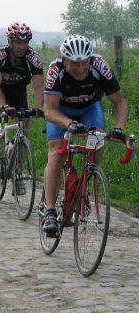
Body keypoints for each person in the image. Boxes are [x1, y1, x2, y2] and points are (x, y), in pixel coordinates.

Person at [42, 35, 127, 237]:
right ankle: (50, 211)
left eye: (84, 63)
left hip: (90, 109)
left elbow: (120, 102)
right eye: (74, 64)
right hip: (61, 111)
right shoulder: (56, 70)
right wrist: (69, 124)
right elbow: (49, 110)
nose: (80, 69)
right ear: (64, 60)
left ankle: (84, 187)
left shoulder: (100, 66)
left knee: (97, 142)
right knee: (56, 154)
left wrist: (119, 128)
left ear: (90, 59)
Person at [0, 22, 44, 160]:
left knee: (24, 131)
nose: (21, 46)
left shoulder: (34, 59)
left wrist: (39, 107)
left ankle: (17, 173)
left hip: (18, 92)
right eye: (18, 42)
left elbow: (38, 87)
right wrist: (3, 106)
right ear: (10, 41)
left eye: (25, 42)